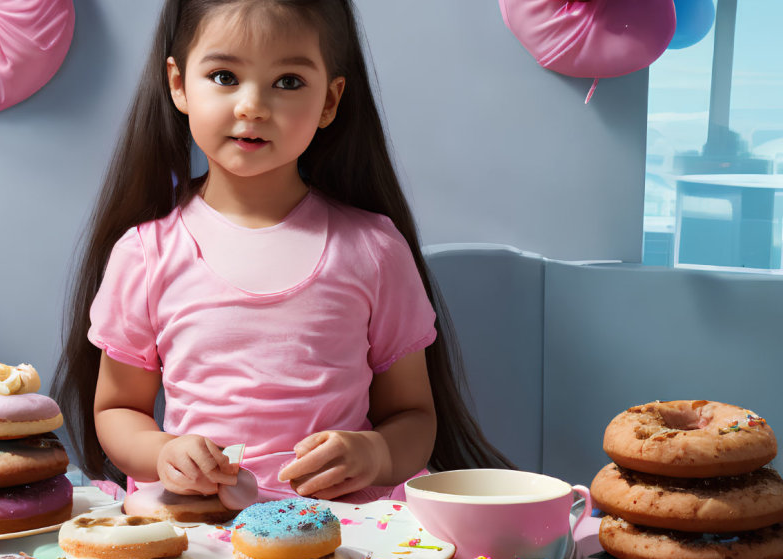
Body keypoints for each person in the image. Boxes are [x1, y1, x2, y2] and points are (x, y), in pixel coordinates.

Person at [53, 0, 511, 506]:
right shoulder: (145, 253)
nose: (252, 106)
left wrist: (374, 454)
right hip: (198, 538)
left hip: (350, 543)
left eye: (288, 82)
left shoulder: (374, 249)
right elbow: (117, 410)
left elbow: (415, 417)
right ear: (179, 84)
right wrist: (164, 453)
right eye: (225, 76)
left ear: (330, 101)